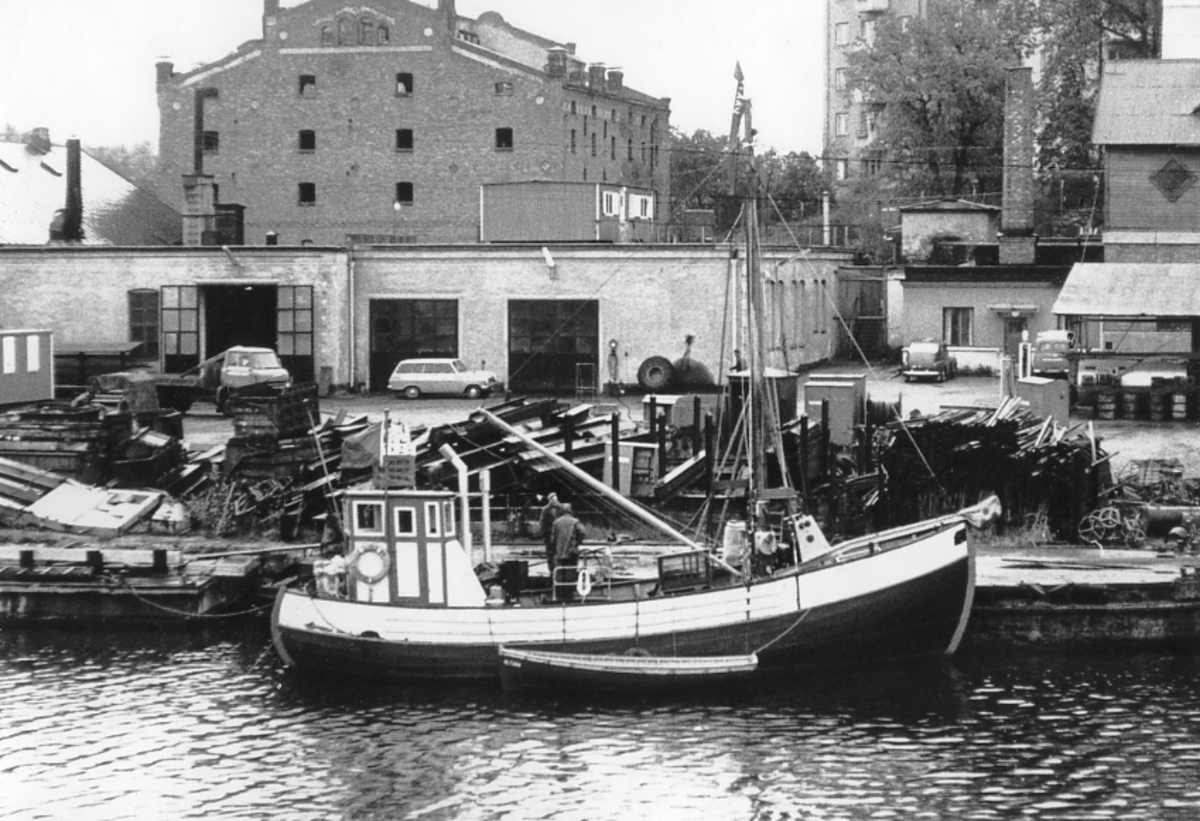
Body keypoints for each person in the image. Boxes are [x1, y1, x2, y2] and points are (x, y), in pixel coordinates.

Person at [551, 503, 586, 601]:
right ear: (570, 511)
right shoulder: (575, 522)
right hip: (572, 552)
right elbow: (582, 532)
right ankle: (569, 594)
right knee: (570, 572)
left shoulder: (556, 522)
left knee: (560, 573)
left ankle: (560, 594)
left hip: (559, 552)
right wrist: (578, 542)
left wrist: (555, 549)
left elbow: (552, 538)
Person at [539, 493, 564, 576]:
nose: (554, 501)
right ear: (549, 500)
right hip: (549, 533)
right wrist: (544, 533)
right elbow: (542, 522)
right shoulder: (545, 509)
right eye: (553, 500)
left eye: (555, 499)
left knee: (559, 550)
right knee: (550, 552)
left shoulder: (561, 508)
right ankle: (552, 568)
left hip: (559, 533)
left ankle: (560, 568)